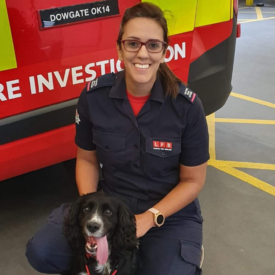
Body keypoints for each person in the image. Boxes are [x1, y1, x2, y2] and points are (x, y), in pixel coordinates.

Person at [26, 3, 209, 275]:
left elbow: (193, 180)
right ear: (119, 48)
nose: (142, 53)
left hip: (166, 216)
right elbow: (86, 159)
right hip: (111, 206)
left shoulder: (187, 107)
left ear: (164, 51)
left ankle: (174, 253)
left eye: (153, 45)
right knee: (42, 252)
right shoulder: (93, 97)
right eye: (133, 43)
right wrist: (92, 213)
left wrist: (150, 218)